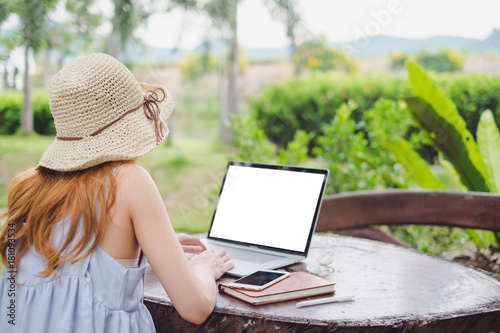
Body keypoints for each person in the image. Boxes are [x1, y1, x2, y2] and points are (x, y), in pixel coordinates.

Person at [0, 53, 233, 332]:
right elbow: (194, 307)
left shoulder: (27, 190)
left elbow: (67, 287)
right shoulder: (130, 182)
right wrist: (205, 268)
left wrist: (157, 244)